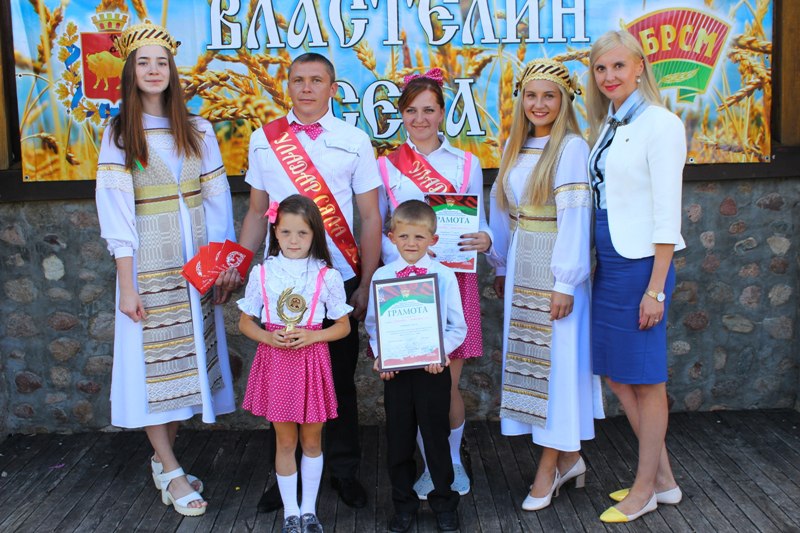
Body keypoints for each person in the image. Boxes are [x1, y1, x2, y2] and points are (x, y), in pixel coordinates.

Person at [95, 22, 237, 516]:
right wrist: (126, 284)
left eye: (161, 62)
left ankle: (163, 460)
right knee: (152, 372)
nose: (153, 70)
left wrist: (220, 267)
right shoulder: (119, 134)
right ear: (130, 72)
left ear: (172, 71)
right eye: (143, 62)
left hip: (195, 266)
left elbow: (217, 201)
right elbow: (116, 213)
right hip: (149, 268)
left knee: (186, 368)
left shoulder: (198, 130)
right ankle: (173, 471)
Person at [240, 52, 382, 510]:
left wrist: (367, 281)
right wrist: (242, 268)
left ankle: (343, 471)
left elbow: (369, 216)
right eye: (298, 79)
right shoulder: (264, 140)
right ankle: (282, 476)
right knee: (282, 382)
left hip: (336, 277)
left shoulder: (355, 140)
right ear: (288, 85)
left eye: (316, 80)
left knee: (337, 380)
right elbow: (255, 212)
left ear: (332, 88)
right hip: (282, 280)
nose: (306, 88)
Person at [487, 58, 604, 512]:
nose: (539, 104)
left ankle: (549, 469)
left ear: (564, 101)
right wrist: (500, 264)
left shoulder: (571, 147)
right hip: (522, 263)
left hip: (556, 269)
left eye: (549, 96)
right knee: (534, 364)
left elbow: (576, 218)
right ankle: (570, 460)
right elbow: (504, 211)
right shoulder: (515, 147)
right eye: (531, 95)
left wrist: (566, 284)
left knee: (557, 368)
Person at [376, 68, 492, 498]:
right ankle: (423, 463)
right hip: (403, 286)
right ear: (401, 115)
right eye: (411, 111)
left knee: (445, 385)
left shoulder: (467, 163)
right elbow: (379, 228)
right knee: (413, 389)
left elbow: (479, 224)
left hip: (451, 282)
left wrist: (485, 239)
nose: (420, 118)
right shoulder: (385, 166)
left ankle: (450, 462)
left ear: (442, 113)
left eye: (428, 110)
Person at [585, 30, 686, 523]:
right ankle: (663, 480)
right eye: (601, 68)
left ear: (640, 66)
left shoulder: (661, 124)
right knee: (617, 374)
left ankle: (644, 490)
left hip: (642, 266)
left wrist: (655, 290)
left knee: (647, 382)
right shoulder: (610, 121)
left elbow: (668, 214)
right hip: (610, 261)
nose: (610, 76)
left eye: (619, 66)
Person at [238, 195, 353, 533]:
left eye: (302, 233)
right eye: (286, 232)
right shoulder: (263, 273)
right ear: (274, 232)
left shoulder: (326, 276)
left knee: (312, 441)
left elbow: (343, 327)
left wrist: (314, 336)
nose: (293, 240)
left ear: (314, 234)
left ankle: (309, 511)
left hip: (311, 362)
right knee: (285, 441)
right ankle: (290, 512)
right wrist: (267, 336)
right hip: (277, 361)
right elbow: (245, 323)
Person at [365, 200, 465, 532]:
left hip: (432, 372)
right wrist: (382, 356)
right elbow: (373, 325)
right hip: (396, 373)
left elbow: (457, 327)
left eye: (419, 237)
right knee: (399, 441)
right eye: (404, 236)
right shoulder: (382, 276)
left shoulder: (445, 276)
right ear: (391, 237)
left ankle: (444, 502)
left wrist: (440, 352)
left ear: (433, 239)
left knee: (436, 438)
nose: (411, 243)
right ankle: (403, 505)